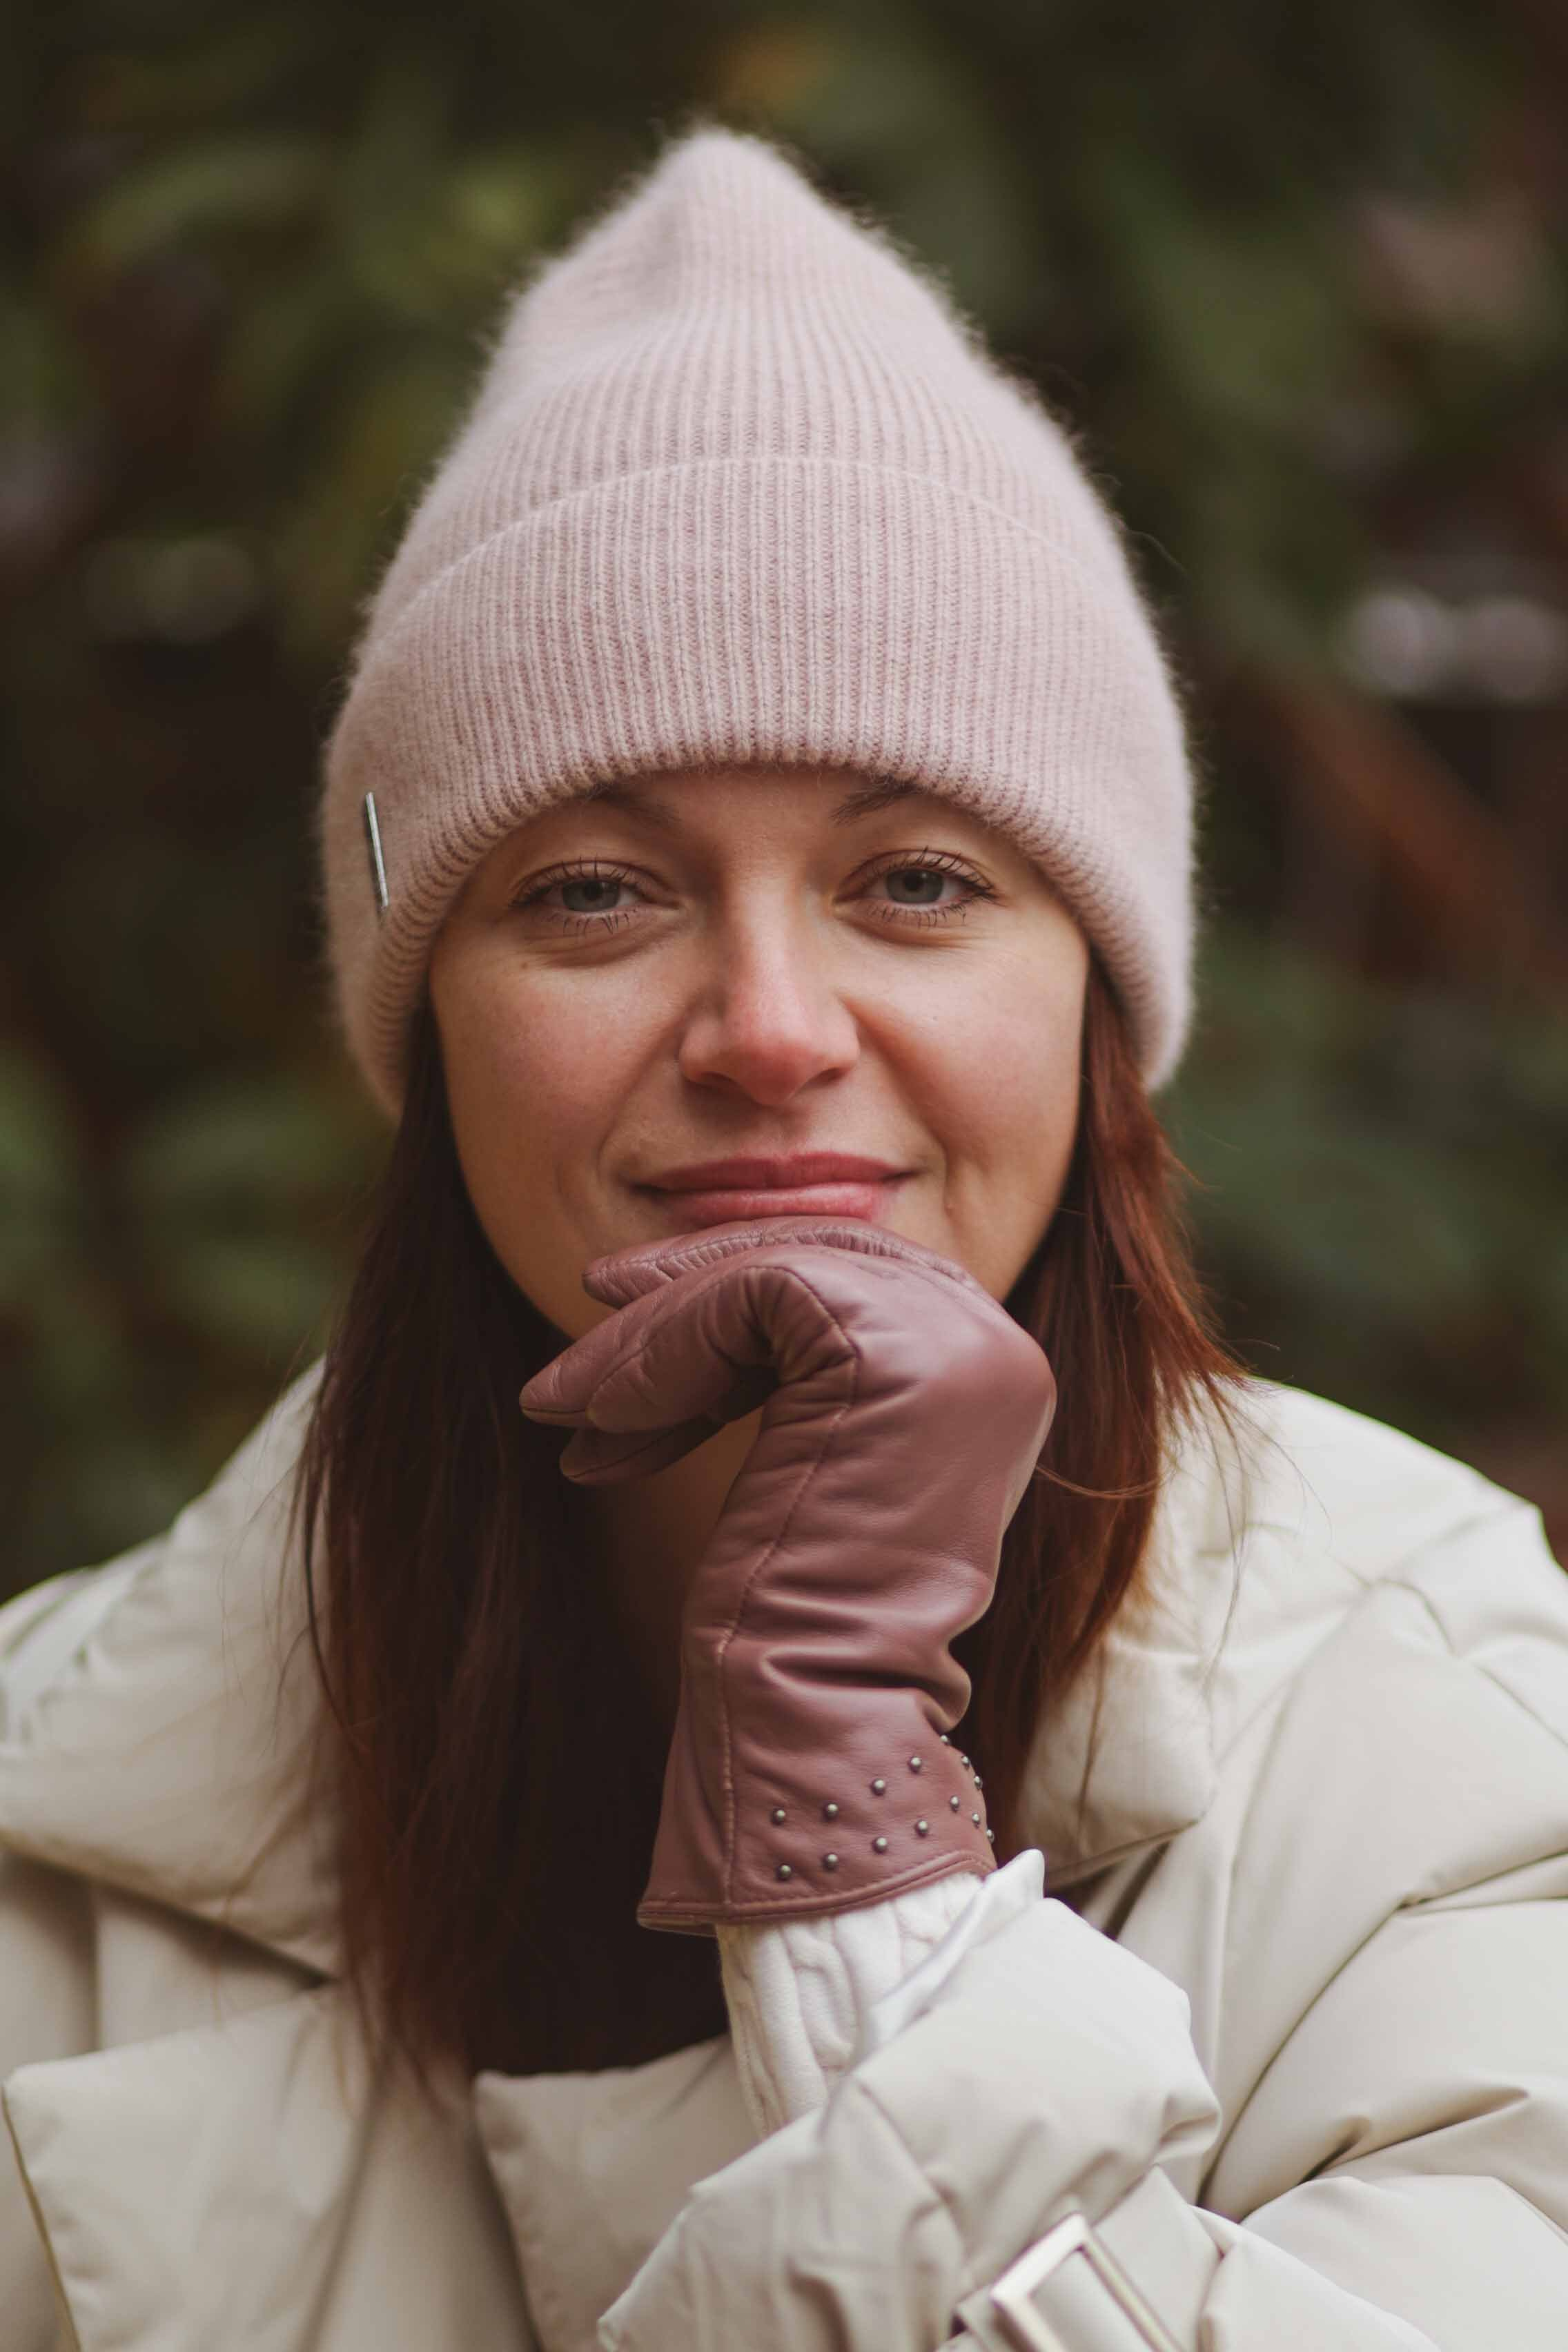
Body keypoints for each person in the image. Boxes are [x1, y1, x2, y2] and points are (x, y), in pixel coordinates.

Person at [2, 120, 1566, 2352]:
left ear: (1098, 1009)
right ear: (426, 1022)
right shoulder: (49, 1820)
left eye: (917, 881)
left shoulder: (1438, 1730)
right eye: (593, 893)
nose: (764, 1026)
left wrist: (857, 1850)